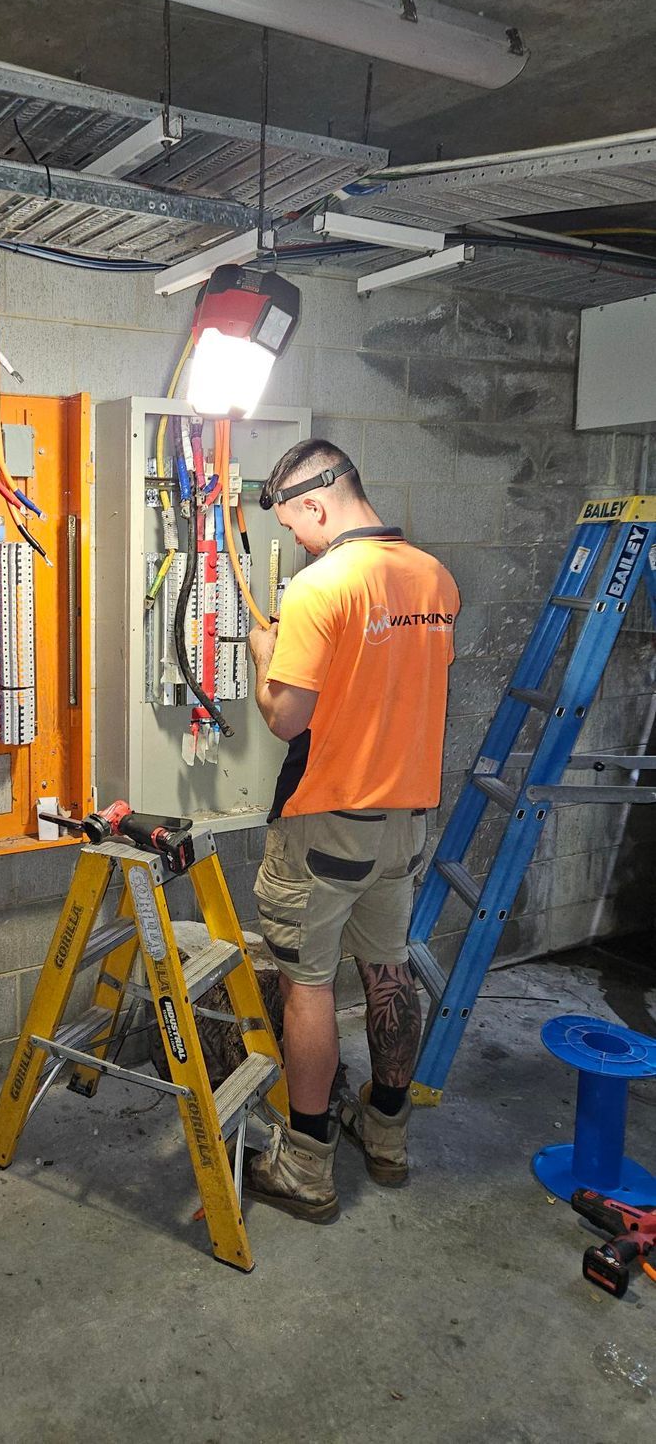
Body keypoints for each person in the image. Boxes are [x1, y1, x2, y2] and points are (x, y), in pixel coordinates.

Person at [245, 438, 460, 1222]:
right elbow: (395, 683)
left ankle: (305, 1166)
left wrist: (264, 657)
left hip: (326, 822)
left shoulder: (318, 586)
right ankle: (388, 1137)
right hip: (403, 824)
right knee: (387, 970)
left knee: (305, 986)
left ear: (315, 502)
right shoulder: (433, 577)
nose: (296, 542)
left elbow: (285, 718)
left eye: (294, 525)